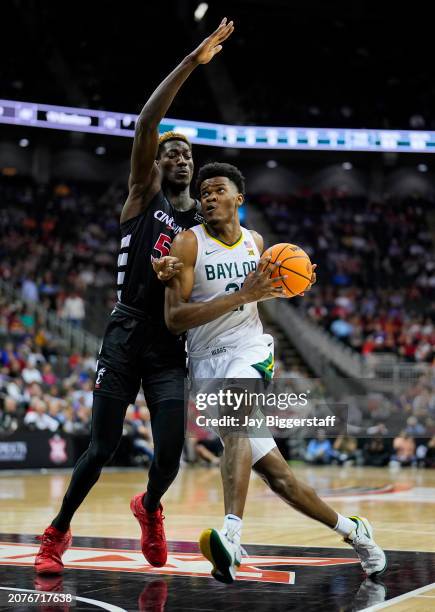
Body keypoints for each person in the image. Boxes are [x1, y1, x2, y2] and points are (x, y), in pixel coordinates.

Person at [34, 18, 235, 575]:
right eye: (171, 153)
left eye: (187, 156)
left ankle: (149, 508)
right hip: (124, 333)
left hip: (169, 342)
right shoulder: (142, 197)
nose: (180, 159)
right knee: (101, 447)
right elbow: (148, 119)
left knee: (170, 451)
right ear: (155, 163)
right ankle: (56, 533)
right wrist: (192, 63)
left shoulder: (199, 228)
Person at [164, 162, 386, 584]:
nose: (208, 197)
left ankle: (232, 537)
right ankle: (355, 532)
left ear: (238, 199)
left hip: (249, 351)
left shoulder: (258, 243)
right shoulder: (187, 244)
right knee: (280, 478)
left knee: (234, 421)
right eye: (203, 192)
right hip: (205, 361)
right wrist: (244, 294)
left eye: (217, 190)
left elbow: (273, 288)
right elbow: (175, 320)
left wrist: (295, 282)